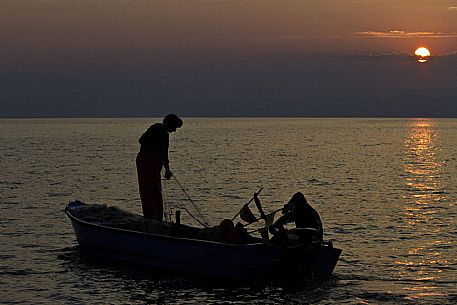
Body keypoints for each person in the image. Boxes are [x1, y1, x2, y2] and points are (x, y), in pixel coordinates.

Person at [136, 114, 183, 220]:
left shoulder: (164, 134)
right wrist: (154, 153)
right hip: (146, 162)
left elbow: (164, 155)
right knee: (150, 190)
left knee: (154, 191)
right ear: (169, 124)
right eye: (174, 128)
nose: (174, 131)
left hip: (153, 165)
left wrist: (167, 169)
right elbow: (142, 141)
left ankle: (156, 217)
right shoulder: (158, 130)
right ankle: (152, 217)